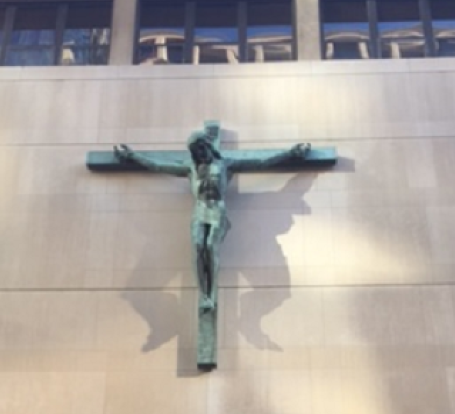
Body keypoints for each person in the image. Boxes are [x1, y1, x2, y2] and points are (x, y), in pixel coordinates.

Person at [114, 130, 310, 310]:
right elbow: (158, 165)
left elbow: (261, 162)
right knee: (199, 246)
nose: (200, 153)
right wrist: (132, 156)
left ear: (208, 146)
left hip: (217, 208)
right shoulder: (190, 169)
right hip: (200, 209)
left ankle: (211, 294)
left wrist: (290, 154)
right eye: (196, 151)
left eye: (201, 148)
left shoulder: (225, 165)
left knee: (210, 245)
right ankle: (205, 295)